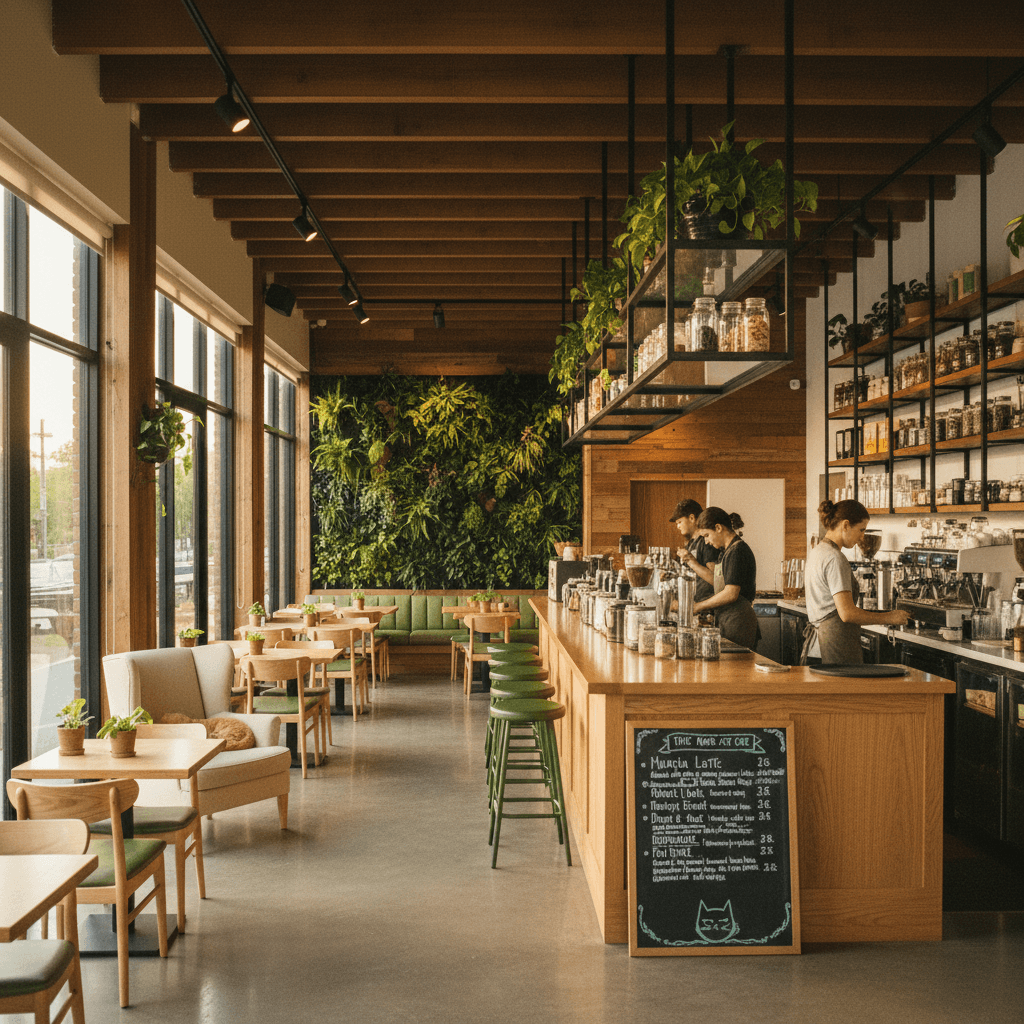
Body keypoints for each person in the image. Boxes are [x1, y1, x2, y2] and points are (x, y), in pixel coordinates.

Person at [802, 499, 909, 664]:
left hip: (817, 648)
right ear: (845, 525)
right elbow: (847, 613)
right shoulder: (834, 558)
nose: (862, 537)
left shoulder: (818, 551)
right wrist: (890, 617)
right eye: (861, 530)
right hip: (835, 644)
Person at [692, 507, 759, 649]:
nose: (706, 542)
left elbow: (731, 593)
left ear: (718, 528)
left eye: (706, 535)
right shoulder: (727, 551)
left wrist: (699, 606)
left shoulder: (737, 551)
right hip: (729, 620)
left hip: (739, 622)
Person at [669, 498, 720, 604]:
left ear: (691, 518)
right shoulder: (692, 543)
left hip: (705, 606)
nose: (678, 526)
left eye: (679, 522)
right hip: (692, 604)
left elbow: (716, 580)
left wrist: (692, 562)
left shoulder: (707, 543)